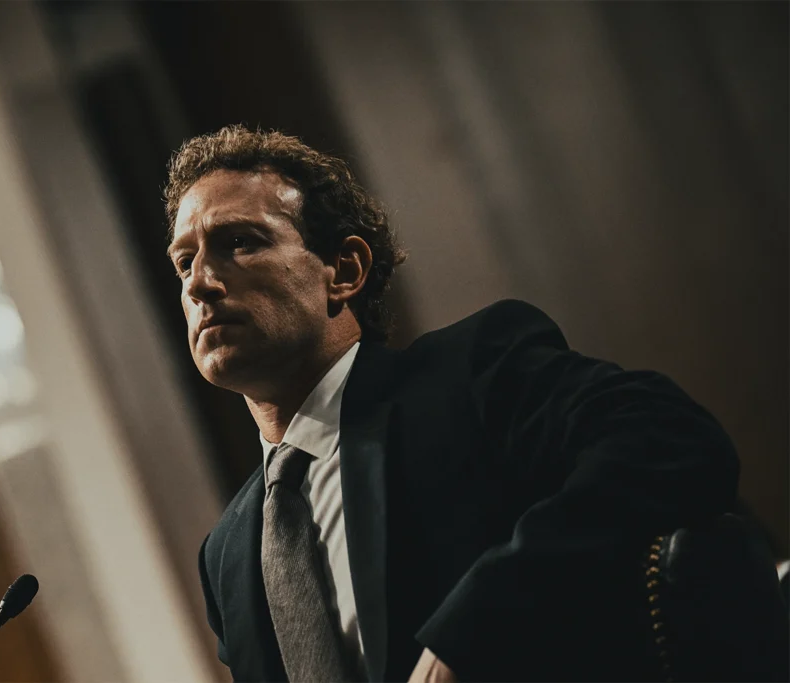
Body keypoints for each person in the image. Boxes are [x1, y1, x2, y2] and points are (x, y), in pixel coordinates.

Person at [164, 125, 739, 682]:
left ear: (344, 270)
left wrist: (476, 629)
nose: (199, 283)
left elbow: (672, 439)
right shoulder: (226, 554)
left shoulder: (472, 374)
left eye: (240, 242)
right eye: (184, 261)